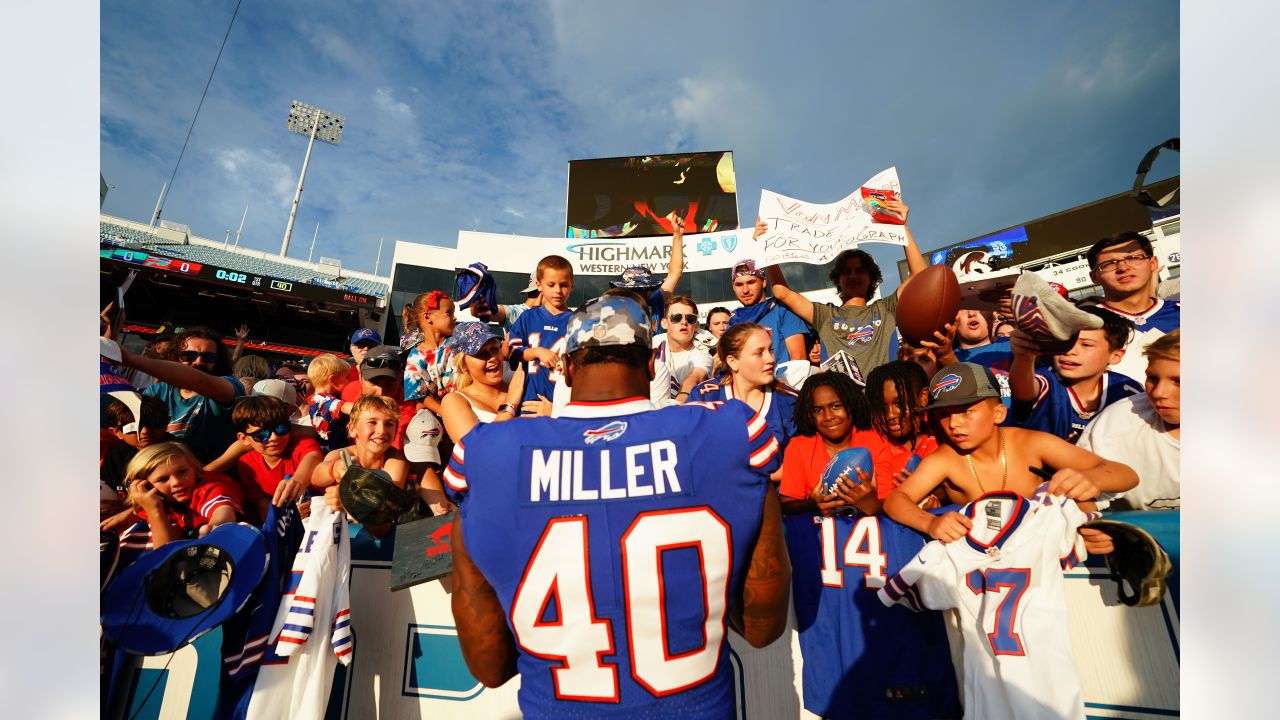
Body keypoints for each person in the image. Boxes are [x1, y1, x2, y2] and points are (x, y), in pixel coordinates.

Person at [446, 294, 791, 717]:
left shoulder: (488, 454)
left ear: (568, 370)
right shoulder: (729, 430)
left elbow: (490, 667)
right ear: (651, 365)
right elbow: (761, 628)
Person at [883, 363, 1138, 543]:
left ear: (998, 413)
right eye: (944, 414)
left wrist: (1091, 480)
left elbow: (1126, 474)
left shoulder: (1031, 444)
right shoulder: (946, 459)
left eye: (966, 411)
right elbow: (897, 500)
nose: (953, 423)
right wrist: (930, 522)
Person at [764, 196, 928, 377]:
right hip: (842, 403)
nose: (853, 276)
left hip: (883, 401)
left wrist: (902, 227)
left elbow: (921, 275)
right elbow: (781, 292)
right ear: (837, 278)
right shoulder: (824, 315)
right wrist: (765, 244)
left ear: (871, 277)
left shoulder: (885, 309)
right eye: (846, 271)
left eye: (860, 270)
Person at [1077, 330, 1180, 511]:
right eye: (1152, 378)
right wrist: (1092, 526)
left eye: (1179, 381)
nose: (1158, 393)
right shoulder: (1117, 422)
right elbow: (1080, 498)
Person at [1008, 305, 1143, 443]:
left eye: (1086, 345)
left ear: (1115, 355)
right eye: (1064, 342)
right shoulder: (1046, 380)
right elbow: (1023, 389)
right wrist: (1023, 357)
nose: (1070, 351)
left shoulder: (1128, 391)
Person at [117, 327, 246, 463]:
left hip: (208, 475)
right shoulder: (158, 391)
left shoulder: (230, 385)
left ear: (217, 361)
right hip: (161, 469)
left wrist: (131, 360)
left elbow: (201, 381)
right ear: (175, 357)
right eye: (188, 356)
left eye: (209, 357)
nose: (198, 362)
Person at [688, 322, 798, 478]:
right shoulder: (704, 396)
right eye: (759, 353)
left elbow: (802, 463)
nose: (770, 359)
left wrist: (749, 479)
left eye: (770, 350)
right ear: (733, 361)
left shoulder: (789, 402)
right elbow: (687, 453)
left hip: (775, 497)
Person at [779, 371, 881, 516]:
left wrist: (874, 507)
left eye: (836, 406)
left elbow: (890, 500)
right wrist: (812, 506)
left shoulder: (875, 441)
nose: (828, 417)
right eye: (818, 410)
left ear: (851, 404)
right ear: (809, 414)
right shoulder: (798, 447)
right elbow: (787, 505)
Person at [1085, 231, 1180, 384]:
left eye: (1134, 258)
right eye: (1109, 264)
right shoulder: (1083, 325)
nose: (1123, 267)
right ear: (1094, 277)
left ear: (1153, 263)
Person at [121, 441, 245, 549]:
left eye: (182, 472)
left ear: (195, 468)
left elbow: (223, 511)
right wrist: (154, 510)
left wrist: (215, 527)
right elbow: (165, 551)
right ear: (146, 486)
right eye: (163, 479)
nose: (176, 482)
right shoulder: (153, 502)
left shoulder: (210, 485)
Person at [863, 360, 944, 501]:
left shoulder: (942, 441)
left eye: (899, 404)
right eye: (882, 407)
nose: (890, 415)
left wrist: (933, 495)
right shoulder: (869, 441)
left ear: (923, 397)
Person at [231, 395, 321, 522]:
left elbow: (313, 457)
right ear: (243, 438)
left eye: (281, 428)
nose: (274, 437)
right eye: (262, 434)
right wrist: (285, 519)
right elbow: (263, 507)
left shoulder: (302, 443)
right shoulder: (247, 464)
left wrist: (297, 481)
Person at [507, 255, 575, 413]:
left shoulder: (578, 322)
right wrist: (537, 352)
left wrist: (569, 364)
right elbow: (512, 353)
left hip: (558, 405)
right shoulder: (527, 317)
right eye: (551, 285)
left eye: (564, 285)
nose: (558, 290)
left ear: (572, 285)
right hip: (525, 403)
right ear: (539, 285)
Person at [440, 322, 526, 442]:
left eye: (494, 349)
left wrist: (550, 411)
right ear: (463, 365)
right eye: (480, 354)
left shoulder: (521, 387)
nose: (492, 358)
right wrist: (510, 406)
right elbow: (474, 448)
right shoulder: (454, 401)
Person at [725, 250, 808, 369]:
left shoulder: (782, 310)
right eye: (739, 285)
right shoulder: (733, 321)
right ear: (733, 287)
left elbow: (799, 359)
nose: (745, 290)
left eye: (751, 282)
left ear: (763, 282)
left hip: (782, 384)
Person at [607, 213, 687, 325]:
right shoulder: (613, 313)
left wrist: (677, 235)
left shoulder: (656, 303)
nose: (640, 294)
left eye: (643, 289)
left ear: (649, 291)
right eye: (633, 290)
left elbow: (675, 274)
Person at [404, 290, 459, 416]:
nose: (455, 317)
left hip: (465, 408)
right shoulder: (415, 358)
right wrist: (445, 413)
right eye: (449, 313)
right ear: (428, 316)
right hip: (439, 417)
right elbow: (420, 395)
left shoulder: (458, 344)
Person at [654, 294, 714, 402]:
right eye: (676, 317)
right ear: (664, 323)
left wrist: (681, 399)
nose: (684, 322)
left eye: (690, 318)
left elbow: (695, 377)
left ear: (696, 326)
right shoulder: (654, 344)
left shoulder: (703, 350)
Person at [305, 354, 353, 451]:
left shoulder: (313, 398)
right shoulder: (323, 400)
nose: (349, 381)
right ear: (332, 380)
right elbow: (349, 408)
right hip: (330, 451)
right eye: (347, 378)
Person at [341, 328, 383, 402]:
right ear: (351, 348)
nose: (366, 348)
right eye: (361, 345)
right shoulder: (343, 375)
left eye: (372, 346)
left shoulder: (390, 376)